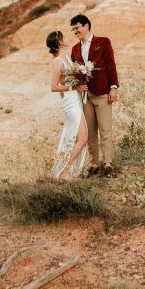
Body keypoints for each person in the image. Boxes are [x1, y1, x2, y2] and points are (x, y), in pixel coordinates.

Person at [70, 14, 119, 177]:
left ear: (86, 26)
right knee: (90, 131)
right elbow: (74, 72)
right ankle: (94, 163)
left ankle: (108, 163)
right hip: (85, 96)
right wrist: (78, 84)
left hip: (103, 92)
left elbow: (111, 64)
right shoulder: (75, 49)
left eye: (77, 28)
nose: (75, 31)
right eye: (73, 29)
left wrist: (113, 87)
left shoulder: (103, 42)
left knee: (106, 129)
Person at [46, 30, 88, 182]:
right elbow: (53, 87)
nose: (66, 39)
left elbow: (68, 79)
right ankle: (64, 172)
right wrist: (73, 88)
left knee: (75, 137)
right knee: (83, 138)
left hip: (74, 98)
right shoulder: (58, 62)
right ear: (59, 43)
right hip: (70, 102)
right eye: (63, 38)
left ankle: (66, 172)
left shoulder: (66, 58)